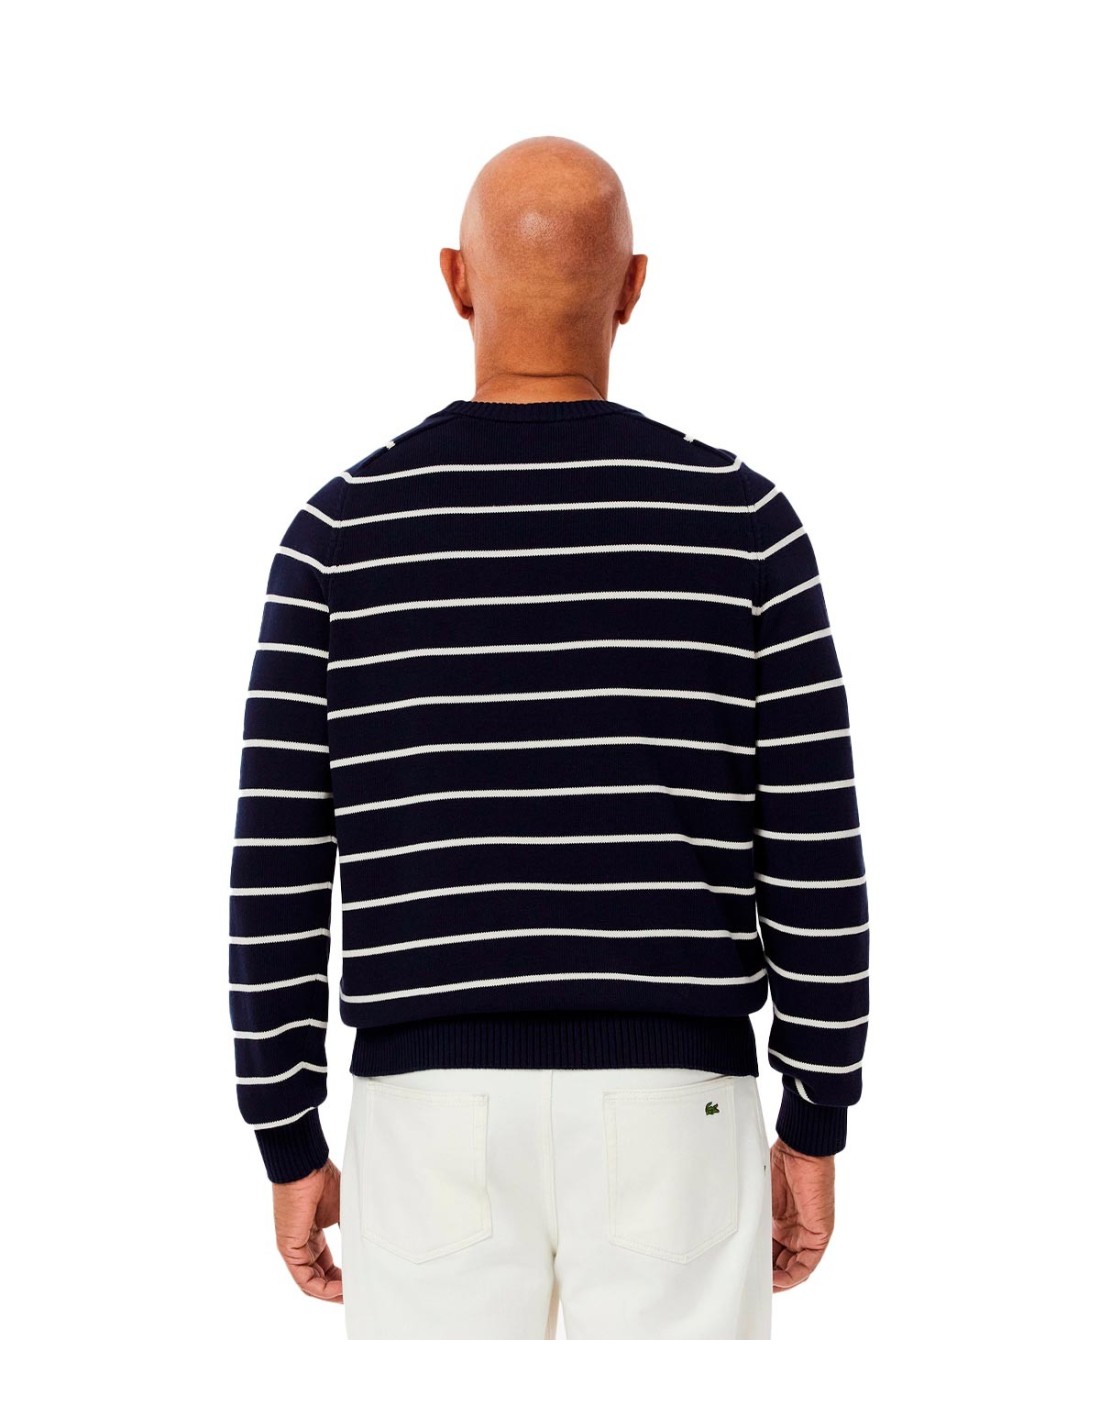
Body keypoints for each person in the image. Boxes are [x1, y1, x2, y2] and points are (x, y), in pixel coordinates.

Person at [227, 134, 870, 1340]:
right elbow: (814, 855)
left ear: (453, 279)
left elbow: (275, 870)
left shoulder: (337, 537)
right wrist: (815, 1117)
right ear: (632, 287)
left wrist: (287, 1135)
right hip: (677, 1104)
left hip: (427, 1114)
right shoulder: (743, 524)